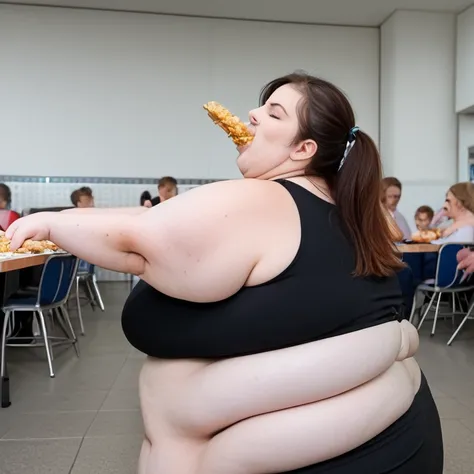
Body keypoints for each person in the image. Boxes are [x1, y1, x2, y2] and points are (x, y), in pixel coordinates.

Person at [5, 72, 443, 473]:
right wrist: (60, 220)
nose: (250, 114)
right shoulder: (340, 209)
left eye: (273, 112)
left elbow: (137, 243)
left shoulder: (265, 200)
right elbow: (156, 221)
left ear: (303, 150)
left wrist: (53, 223)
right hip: (400, 440)